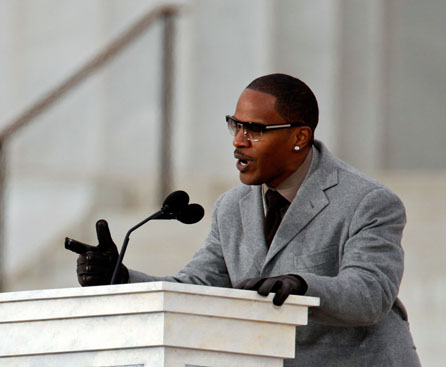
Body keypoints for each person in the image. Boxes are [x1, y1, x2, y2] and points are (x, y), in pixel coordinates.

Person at [73, 73, 421, 366]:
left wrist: (301, 285)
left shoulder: (367, 201)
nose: (239, 142)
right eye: (235, 126)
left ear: (299, 137)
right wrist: (121, 278)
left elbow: (370, 295)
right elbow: (199, 286)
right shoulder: (232, 206)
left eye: (254, 130)